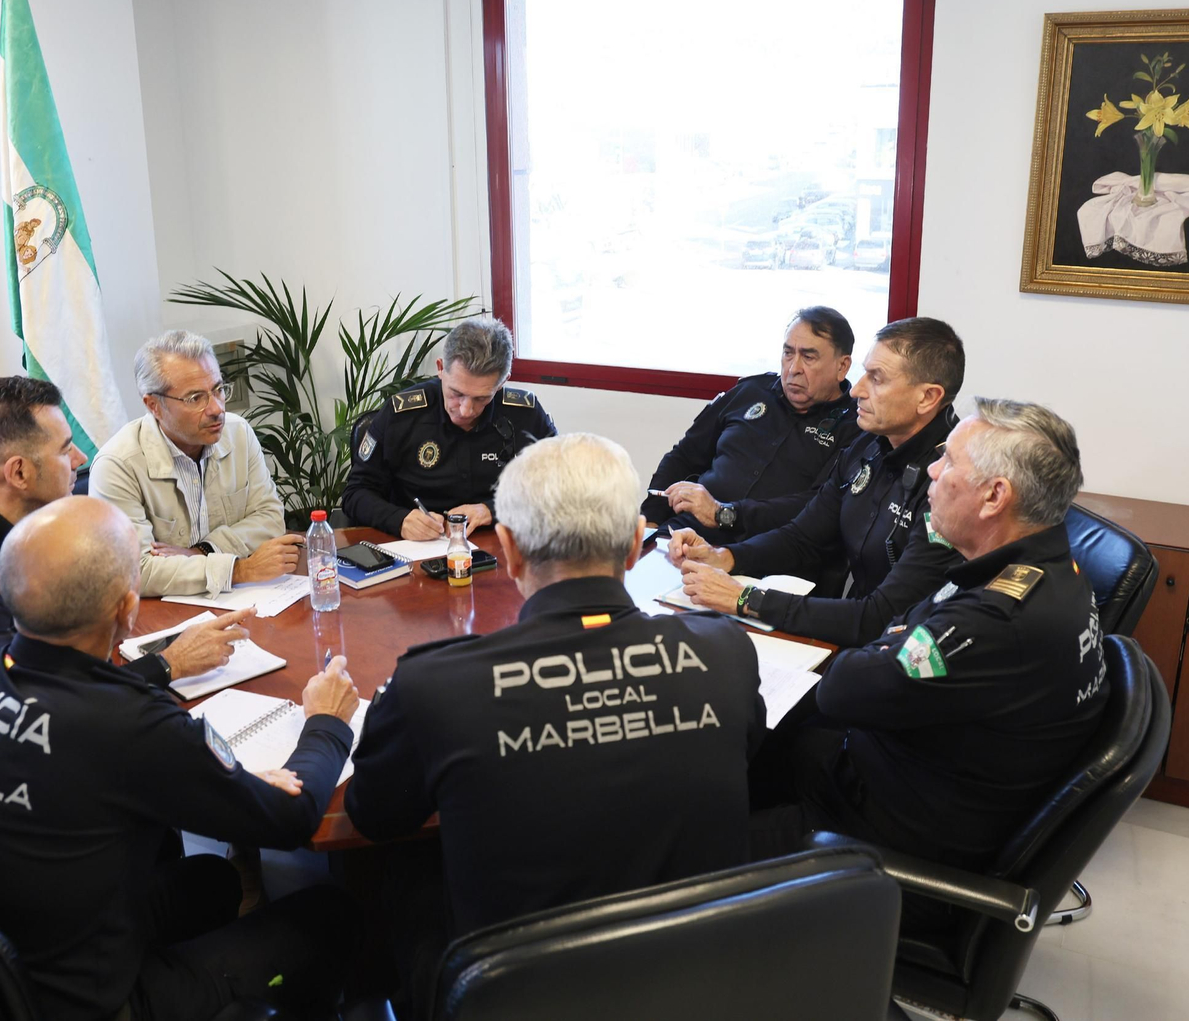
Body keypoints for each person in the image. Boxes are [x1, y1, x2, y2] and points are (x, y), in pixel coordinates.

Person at [0, 496, 361, 1021]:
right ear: (126, 609)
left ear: (1, 588)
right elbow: (291, 817)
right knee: (330, 914)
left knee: (213, 882)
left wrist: (171, 675)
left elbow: (77, 718)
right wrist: (327, 722)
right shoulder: (129, 723)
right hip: (67, 1005)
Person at [345, 433, 764, 1010]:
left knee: (399, 874)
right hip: (700, 986)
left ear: (509, 549)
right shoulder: (725, 651)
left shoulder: (432, 685)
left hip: (513, 997)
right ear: (636, 544)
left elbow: (373, 815)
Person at [751, 399, 1109, 882]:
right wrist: (891, 641)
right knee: (753, 745)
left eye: (949, 462)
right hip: (907, 772)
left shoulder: (998, 618)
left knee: (693, 838)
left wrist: (888, 642)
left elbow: (842, 688)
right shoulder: (1049, 568)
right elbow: (897, 629)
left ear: (994, 497)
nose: (933, 472)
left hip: (878, 838)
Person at [0, 377, 253, 765]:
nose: (81, 459)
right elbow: (32, 706)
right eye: (64, 450)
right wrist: (168, 665)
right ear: (19, 473)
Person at [670, 317, 967, 647]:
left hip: (911, 649)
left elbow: (881, 616)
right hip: (861, 637)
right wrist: (724, 556)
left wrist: (746, 599)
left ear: (927, 397)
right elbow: (803, 537)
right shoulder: (869, 445)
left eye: (877, 378)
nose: (857, 390)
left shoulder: (953, 481)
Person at [90, 329, 303, 597]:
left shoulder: (238, 433)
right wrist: (239, 570)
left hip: (240, 600)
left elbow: (270, 518)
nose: (216, 409)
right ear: (154, 405)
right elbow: (135, 571)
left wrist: (202, 551)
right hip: (162, 612)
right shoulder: (117, 465)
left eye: (218, 390)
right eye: (195, 398)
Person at [643, 306, 860, 544]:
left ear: (842, 366)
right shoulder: (750, 392)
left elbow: (816, 507)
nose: (793, 369)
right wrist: (650, 521)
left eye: (808, 357)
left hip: (768, 550)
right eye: (788, 353)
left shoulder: (855, 427)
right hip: (684, 533)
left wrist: (723, 513)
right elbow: (684, 456)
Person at [341, 316, 557, 540]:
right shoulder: (401, 414)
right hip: (417, 546)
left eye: (482, 398)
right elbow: (355, 493)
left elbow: (559, 484)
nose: (466, 410)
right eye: (456, 393)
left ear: (502, 383)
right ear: (441, 368)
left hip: (498, 542)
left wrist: (493, 509)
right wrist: (399, 520)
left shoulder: (525, 414)